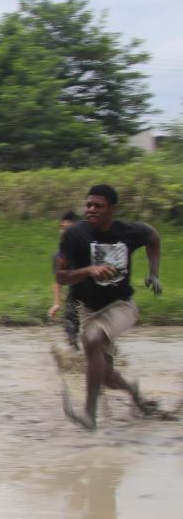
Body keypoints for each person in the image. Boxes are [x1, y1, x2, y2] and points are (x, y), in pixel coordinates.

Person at [55, 184, 163, 430]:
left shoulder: (128, 232)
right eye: (88, 205)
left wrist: (154, 273)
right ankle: (134, 393)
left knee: (92, 339)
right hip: (90, 310)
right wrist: (88, 270)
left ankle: (90, 415)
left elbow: (153, 238)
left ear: (112, 210)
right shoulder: (74, 236)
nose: (91, 210)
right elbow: (61, 276)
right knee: (106, 376)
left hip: (121, 306)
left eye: (98, 206)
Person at [48, 211, 81, 349]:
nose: (64, 231)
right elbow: (57, 280)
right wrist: (57, 303)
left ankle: (108, 356)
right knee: (70, 330)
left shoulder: (88, 248)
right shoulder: (59, 254)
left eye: (68, 228)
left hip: (95, 294)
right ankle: (75, 359)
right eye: (62, 228)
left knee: (99, 333)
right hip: (74, 295)